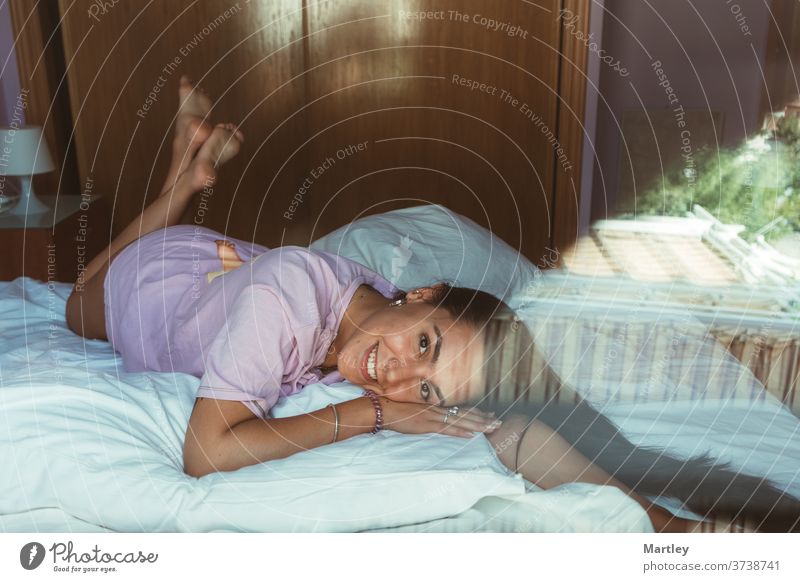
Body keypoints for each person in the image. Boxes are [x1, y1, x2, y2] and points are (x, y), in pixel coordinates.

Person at [65, 77, 796, 533]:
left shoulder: (357, 306)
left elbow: (506, 433)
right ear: (417, 295)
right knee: (78, 305)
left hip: (230, 274)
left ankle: (187, 179)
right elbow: (203, 453)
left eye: (424, 386)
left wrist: (659, 518)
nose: (397, 375)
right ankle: (178, 187)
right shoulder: (289, 300)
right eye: (426, 343)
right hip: (162, 284)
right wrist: (374, 415)